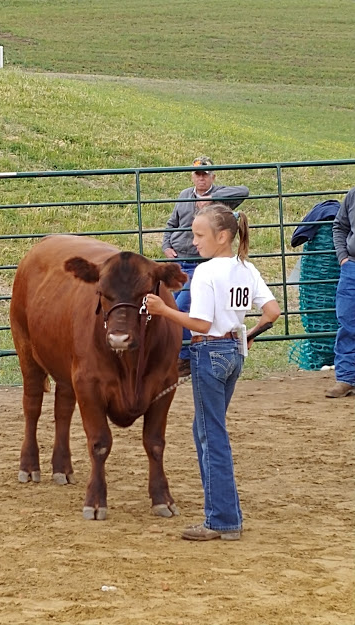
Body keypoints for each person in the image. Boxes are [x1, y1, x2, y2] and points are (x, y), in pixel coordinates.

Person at [147, 203, 280, 541]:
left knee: (212, 436)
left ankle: (222, 520)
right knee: (206, 430)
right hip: (233, 353)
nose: (195, 242)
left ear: (222, 237)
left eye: (199, 235)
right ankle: (223, 515)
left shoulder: (207, 271)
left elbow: (201, 324)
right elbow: (272, 312)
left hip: (210, 352)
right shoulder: (245, 268)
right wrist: (244, 335)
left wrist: (163, 310)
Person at [162, 156, 250, 378]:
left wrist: (212, 198)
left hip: (202, 264)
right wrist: (166, 246)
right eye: (197, 174)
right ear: (192, 176)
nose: (201, 178)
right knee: (178, 305)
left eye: (205, 174)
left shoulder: (221, 198)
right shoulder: (184, 195)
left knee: (179, 306)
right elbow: (172, 224)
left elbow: (244, 191)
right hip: (180, 259)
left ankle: (185, 356)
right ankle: (183, 353)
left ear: (213, 176)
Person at [325, 186, 355, 398]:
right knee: (347, 322)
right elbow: (340, 226)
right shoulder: (353, 195)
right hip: (352, 267)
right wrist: (343, 258)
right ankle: (345, 378)